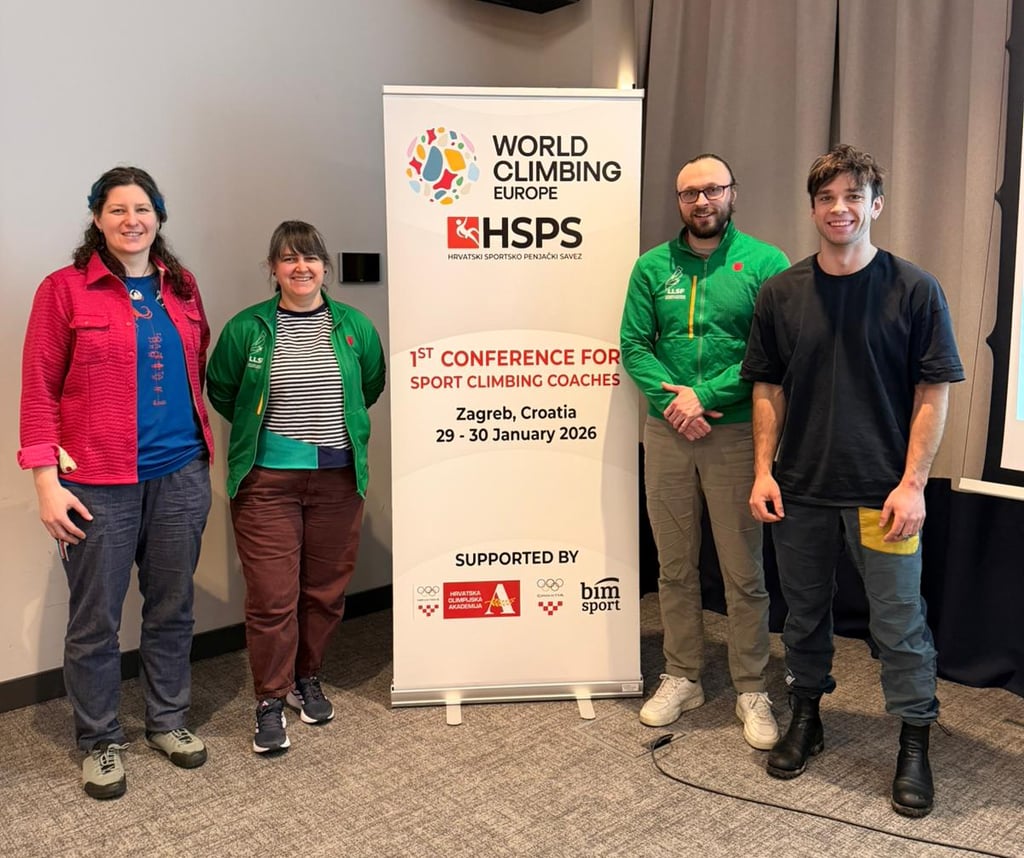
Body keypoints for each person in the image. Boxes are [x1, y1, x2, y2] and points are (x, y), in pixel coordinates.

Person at [742, 144, 964, 817]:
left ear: (876, 205)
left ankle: (914, 741)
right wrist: (762, 471)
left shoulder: (915, 289)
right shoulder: (782, 293)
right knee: (804, 615)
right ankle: (807, 718)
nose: (839, 209)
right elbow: (767, 387)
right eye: (826, 199)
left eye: (852, 197)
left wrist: (913, 484)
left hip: (883, 495)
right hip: (801, 490)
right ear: (813, 209)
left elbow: (933, 391)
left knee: (898, 622)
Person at [18, 166, 214, 800]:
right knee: (95, 621)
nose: (133, 220)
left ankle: (167, 719)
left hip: (180, 475)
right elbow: (38, 389)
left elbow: (196, 366)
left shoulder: (181, 286)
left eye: (143, 208)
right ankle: (99, 738)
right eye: (118, 209)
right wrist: (46, 482)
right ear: (97, 219)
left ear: (159, 216)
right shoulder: (63, 290)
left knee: (172, 607)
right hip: (97, 484)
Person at [620, 154, 790, 749]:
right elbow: (634, 344)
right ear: (679, 201)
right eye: (690, 192)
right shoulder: (652, 267)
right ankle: (683, 675)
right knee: (673, 565)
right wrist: (675, 404)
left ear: (732, 194)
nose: (701, 201)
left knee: (744, 571)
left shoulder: (766, 264)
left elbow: (771, 353)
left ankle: (751, 685)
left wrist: (705, 396)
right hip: (668, 433)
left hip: (737, 434)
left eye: (713, 190)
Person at [207, 220, 386, 755]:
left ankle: (307, 677)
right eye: (288, 258)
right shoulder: (247, 329)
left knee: (325, 593)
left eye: (310, 258)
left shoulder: (354, 326)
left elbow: (369, 385)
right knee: (271, 597)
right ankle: (269, 697)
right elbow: (223, 391)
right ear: (273, 269)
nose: (300, 267)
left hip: (338, 479)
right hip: (266, 482)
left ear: (325, 267)